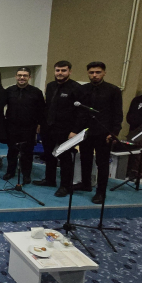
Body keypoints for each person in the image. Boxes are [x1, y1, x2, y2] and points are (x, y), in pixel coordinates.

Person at [73, 62, 123, 204]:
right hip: (86, 132)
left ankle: (101, 192)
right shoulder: (82, 89)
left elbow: (117, 113)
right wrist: (75, 130)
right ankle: (86, 184)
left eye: (98, 72)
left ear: (104, 73)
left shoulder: (113, 90)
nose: (94, 75)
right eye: (91, 72)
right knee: (85, 159)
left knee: (102, 163)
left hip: (103, 132)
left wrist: (114, 132)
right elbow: (79, 112)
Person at [33, 61, 81, 196]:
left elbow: (80, 113)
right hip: (48, 128)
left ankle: (65, 186)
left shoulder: (76, 88)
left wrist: (75, 130)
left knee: (65, 158)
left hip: (65, 130)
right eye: (58, 70)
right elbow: (47, 107)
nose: (60, 73)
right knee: (49, 155)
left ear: (70, 71)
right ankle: (50, 180)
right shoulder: (50, 86)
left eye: (63, 70)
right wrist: (40, 123)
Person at [4, 68, 45, 185]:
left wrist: (39, 124)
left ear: (29, 77)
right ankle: (10, 171)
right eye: (20, 75)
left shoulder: (36, 92)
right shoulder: (9, 91)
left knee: (27, 152)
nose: (22, 77)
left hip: (29, 127)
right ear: (16, 76)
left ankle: (26, 174)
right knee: (12, 151)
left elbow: (42, 110)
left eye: (25, 75)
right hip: (12, 126)